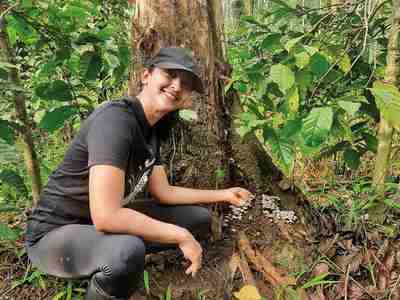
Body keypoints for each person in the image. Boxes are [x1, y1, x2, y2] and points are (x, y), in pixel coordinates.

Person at [25, 47, 251, 300]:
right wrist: (181, 236)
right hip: (55, 236)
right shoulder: (115, 120)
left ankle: (110, 254)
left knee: (198, 218)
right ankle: (110, 269)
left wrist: (223, 194)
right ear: (146, 75)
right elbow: (107, 216)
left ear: (188, 97)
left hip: (95, 225)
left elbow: (163, 192)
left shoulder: (152, 131)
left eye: (185, 83)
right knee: (125, 251)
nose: (177, 86)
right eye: (170, 74)